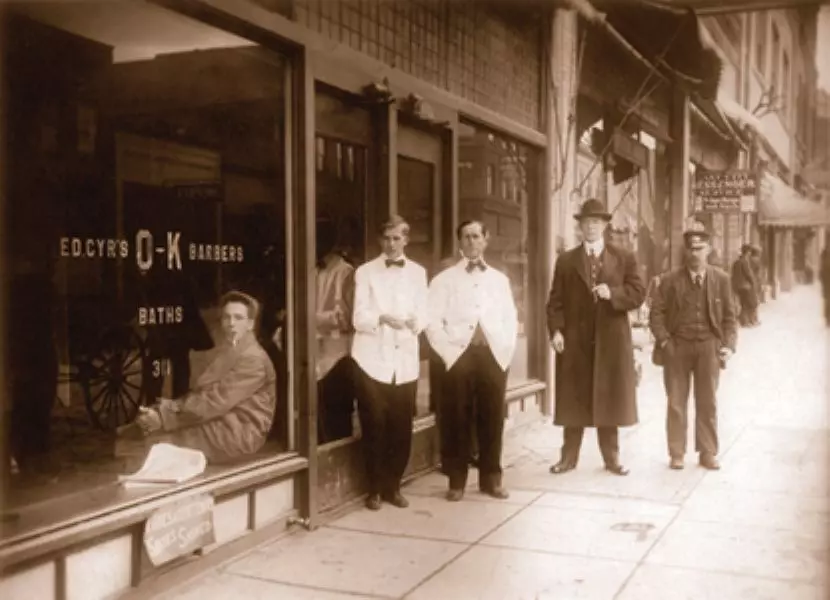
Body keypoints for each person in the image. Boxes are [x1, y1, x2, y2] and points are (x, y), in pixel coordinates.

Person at [546, 198, 645, 477]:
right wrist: (556, 330)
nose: (590, 227)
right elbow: (555, 302)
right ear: (580, 227)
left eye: (596, 222)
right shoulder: (566, 260)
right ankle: (568, 457)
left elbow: (638, 293)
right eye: (586, 222)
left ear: (604, 225)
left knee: (609, 398)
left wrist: (612, 294)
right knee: (573, 399)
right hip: (575, 341)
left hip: (611, 340)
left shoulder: (623, 257)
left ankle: (612, 458)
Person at [427, 220, 518, 501]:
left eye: (476, 236)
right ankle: (456, 480)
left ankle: (492, 479)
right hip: (458, 355)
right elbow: (432, 321)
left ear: (485, 240)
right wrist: (448, 353)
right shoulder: (443, 280)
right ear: (459, 242)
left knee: (492, 417)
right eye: (466, 237)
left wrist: (504, 348)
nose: (471, 241)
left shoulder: (500, 280)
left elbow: (510, 318)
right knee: (456, 418)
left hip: (492, 355)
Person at [129, 291, 277, 464]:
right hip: (222, 422)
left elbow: (215, 401)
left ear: (250, 324)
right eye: (226, 318)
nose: (231, 324)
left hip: (239, 432)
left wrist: (164, 417)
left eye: (238, 318)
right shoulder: (231, 351)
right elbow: (205, 395)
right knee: (140, 437)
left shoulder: (252, 359)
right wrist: (166, 409)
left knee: (154, 443)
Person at [351, 215, 428, 510]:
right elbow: (358, 317)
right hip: (371, 358)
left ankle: (393, 486)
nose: (392, 244)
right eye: (387, 238)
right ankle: (373, 488)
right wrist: (381, 318)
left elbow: (425, 312)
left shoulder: (419, 273)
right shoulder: (365, 272)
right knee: (374, 424)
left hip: (404, 359)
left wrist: (415, 322)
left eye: (397, 238)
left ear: (406, 240)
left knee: (400, 426)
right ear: (380, 241)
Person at [649, 225, 737, 471]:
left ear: (709, 250)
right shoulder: (669, 280)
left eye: (700, 248)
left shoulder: (721, 280)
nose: (695, 254)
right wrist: (665, 342)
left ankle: (707, 452)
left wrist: (729, 346)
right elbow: (656, 314)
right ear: (685, 251)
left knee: (707, 401)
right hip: (678, 347)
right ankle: (677, 453)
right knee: (676, 402)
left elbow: (730, 317)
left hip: (709, 346)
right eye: (691, 249)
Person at [315, 219, 357, 444]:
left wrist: (307, 319)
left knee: (338, 417)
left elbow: (347, 318)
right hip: (313, 356)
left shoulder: (347, 273)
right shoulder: (310, 269)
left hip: (338, 357)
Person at [731, 244, 759, 328]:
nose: (750, 254)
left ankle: (744, 321)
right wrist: (754, 283)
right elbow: (748, 274)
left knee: (742, 303)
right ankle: (746, 322)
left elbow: (733, 274)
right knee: (747, 304)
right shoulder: (745, 262)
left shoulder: (736, 262)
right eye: (749, 252)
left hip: (737, 286)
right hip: (745, 287)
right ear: (747, 252)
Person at [821, 244, 830, 326]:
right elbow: (822, 273)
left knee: (828, 301)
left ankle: (827, 318)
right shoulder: (825, 255)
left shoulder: (825, 255)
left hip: (826, 283)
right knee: (828, 301)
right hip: (827, 283)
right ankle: (827, 318)